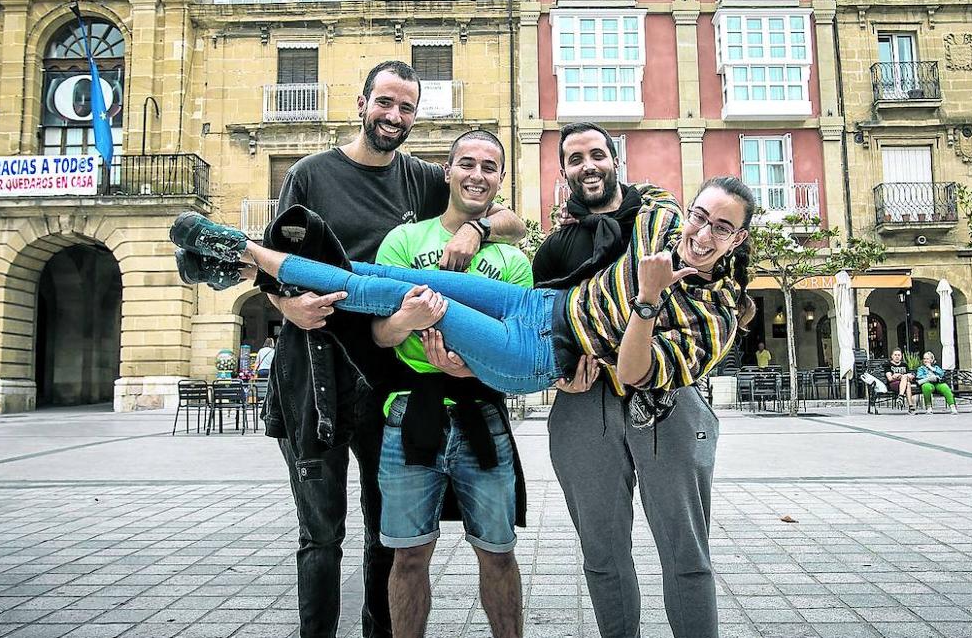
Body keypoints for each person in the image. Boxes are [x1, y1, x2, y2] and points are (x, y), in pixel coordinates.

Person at [186, 59, 525, 638]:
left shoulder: (420, 177)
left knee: (383, 532)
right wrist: (284, 306)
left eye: (407, 108)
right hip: (313, 370)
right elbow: (273, 257)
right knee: (320, 534)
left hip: (382, 376)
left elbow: (505, 214)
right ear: (362, 102)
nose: (394, 116)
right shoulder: (312, 173)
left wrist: (477, 230)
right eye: (385, 103)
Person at [171, 176, 755, 406]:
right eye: (702, 216)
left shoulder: (717, 316)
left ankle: (243, 253)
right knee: (382, 277)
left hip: (541, 356)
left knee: (413, 304)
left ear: (738, 238)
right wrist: (575, 211)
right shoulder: (663, 221)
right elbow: (623, 190)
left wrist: (648, 301)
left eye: (721, 228)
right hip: (539, 305)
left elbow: (633, 375)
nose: (702, 234)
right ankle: (245, 266)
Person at [534, 122, 735, 638]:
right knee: (602, 552)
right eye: (575, 158)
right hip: (585, 400)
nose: (588, 165)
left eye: (597, 153)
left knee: (685, 550)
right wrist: (557, 377)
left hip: (668, 396)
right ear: (564, 172)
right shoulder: (557, 244)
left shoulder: (656, 213)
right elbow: (542, 328)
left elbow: (701, 239)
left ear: (615, 159)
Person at [372, 130, 530, 638]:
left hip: (481, 412)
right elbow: (379, 332)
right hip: (409, 414)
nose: (476, 174)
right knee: (409, 555)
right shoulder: (404, 242)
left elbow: (518, 344)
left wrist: (475, 369)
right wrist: (407, 321)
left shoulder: (513, 261)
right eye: (467, 163)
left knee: (498, 554)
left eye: (489, 167)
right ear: (448, 171)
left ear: (500, 179)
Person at [886, 348, 916, 414]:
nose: (897, 356)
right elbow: (890, 378)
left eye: (899, 355)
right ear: (892, 356)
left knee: (907, 383)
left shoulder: (904, 365)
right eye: (895, 355)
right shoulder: (888, 365)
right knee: (905, 380)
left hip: (904, 384)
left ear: (901, 356)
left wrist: (908, 376)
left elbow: (909, 376)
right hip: (894, 384)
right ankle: (903, 399)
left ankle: (906, 402)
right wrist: (896, 376)